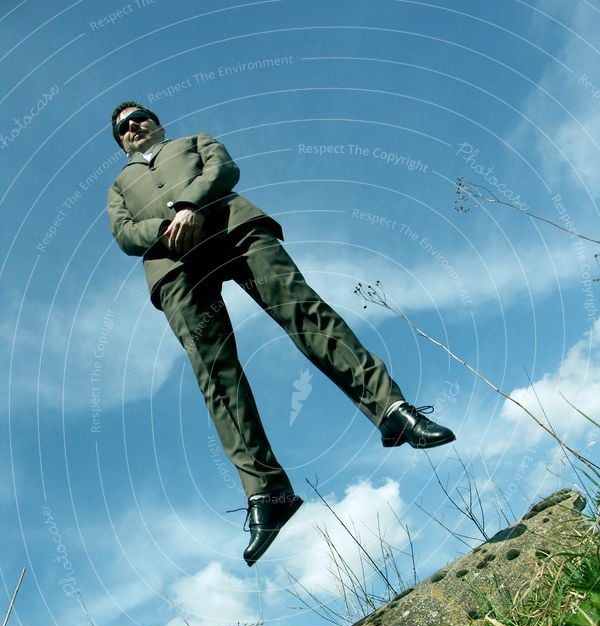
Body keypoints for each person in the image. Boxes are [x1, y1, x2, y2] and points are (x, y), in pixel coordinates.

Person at [107, 101, 456, 565]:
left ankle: (391, 409)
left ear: (157, 123)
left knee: (304, 312)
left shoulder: (194, 141)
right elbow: (124, 232)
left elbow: (223, 168)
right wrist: (167, 227)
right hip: (172, 265)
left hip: (233, 227)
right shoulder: (117, 186)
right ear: (121, 142)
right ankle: (267, 494)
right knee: (215, 373)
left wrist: (192, 204)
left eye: (139, 119)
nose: (133, 127)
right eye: (123, 128)